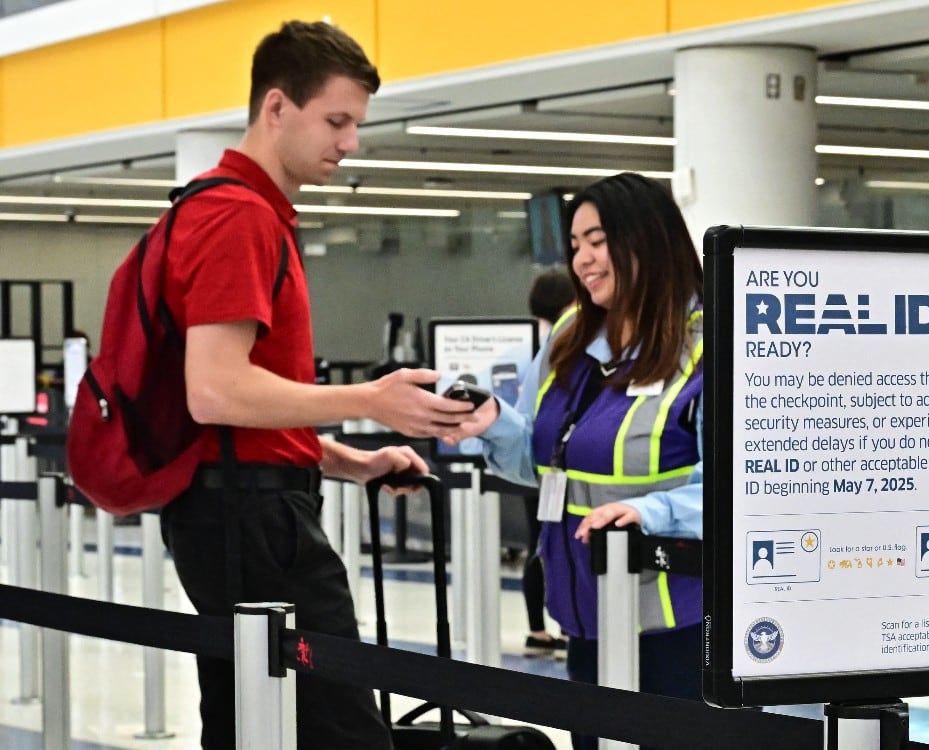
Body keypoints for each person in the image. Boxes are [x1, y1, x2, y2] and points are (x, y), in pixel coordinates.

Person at [159, 21, 474, 750]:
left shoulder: (236, 210)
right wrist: (370, 399)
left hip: (237, 507)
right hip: (255, 521)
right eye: (336, 121)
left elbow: (240, 413)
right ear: (277, 107)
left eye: (355, 124)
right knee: (343, 732)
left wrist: (350, 461)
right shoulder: (238, 217)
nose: (350, 141)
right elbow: (215, 392)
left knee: (253, 726)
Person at [450, 172, 703, 750]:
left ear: (646, 238)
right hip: (586, 614)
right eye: (575, 245)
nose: (582, 259)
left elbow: (743, 485)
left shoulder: (709, 343)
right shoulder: (572, 333)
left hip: (675, 623)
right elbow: (544, 463)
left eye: (597, 241)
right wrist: (494, 423)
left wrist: (650, 513)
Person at [521, 267, 575, 657]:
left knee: (538, 544)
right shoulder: (567, 344)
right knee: (555, 546)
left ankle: (537, 631)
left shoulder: (538, 349)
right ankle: (564, 628)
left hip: (537, 466)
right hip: (560, 468)